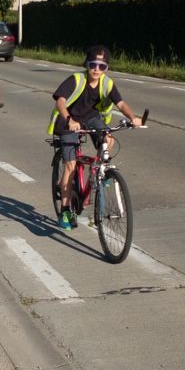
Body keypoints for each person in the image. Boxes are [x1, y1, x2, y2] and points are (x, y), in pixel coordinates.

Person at [49, 44, 143, 231]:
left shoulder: (107, 83)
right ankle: (65, 210)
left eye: (102, 66)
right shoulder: (76, 79)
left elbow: (121, 103)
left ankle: (101, 172)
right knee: (71, 165)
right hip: (68, 121)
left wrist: (132, 117)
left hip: (91, 119)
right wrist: (69, 119)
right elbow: (60, 101)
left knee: (108, 140)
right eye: (93, 65)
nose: (97, 70)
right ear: (87, 64)